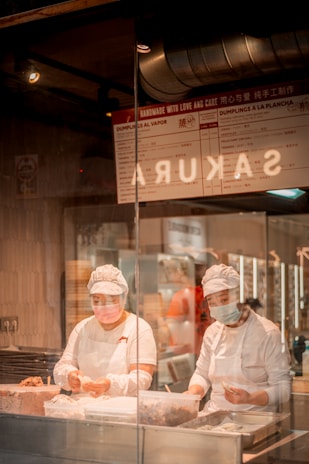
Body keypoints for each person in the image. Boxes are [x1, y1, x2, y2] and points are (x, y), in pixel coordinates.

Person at [185, 263, 291, 414]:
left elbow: (283, 387)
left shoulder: (268, 333)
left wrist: (250, 398)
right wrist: (193, 393)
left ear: (241, 296)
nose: (218, 306)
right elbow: (202, 373)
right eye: (211, 302)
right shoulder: (212, 333)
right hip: (215, 416)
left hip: (255, 419)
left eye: (223, 300)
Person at [53, 264, 157, 397]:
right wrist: (69, 375)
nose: (104, 307)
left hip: (121, 411)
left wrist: (110, 385)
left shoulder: (139, 329)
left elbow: (142, 378)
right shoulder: (83, 327)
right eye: (97, 301)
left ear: (124, 298)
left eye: (111, 300)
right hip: (82, 409)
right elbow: (61, 367)